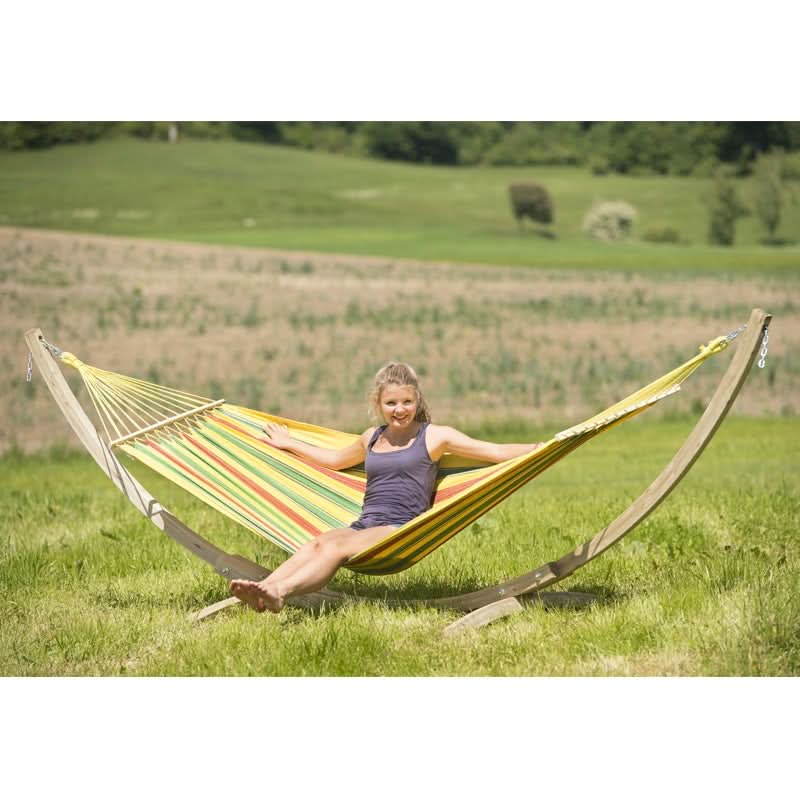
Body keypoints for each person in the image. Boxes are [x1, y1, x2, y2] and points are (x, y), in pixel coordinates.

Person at [229, 362, 543, 613]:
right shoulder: (372, 437)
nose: (400, 409)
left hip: (399, 530)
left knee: (335, 550)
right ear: (378, 404)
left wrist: (540, 447)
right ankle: (262, 589)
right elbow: (335, 460)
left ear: (417, 400)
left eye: (407, 401)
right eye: (391, 402)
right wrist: (289, 443)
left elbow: (494, 451)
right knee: (317, 543)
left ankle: (280, 592)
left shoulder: (435, 436)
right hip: (365, 523)